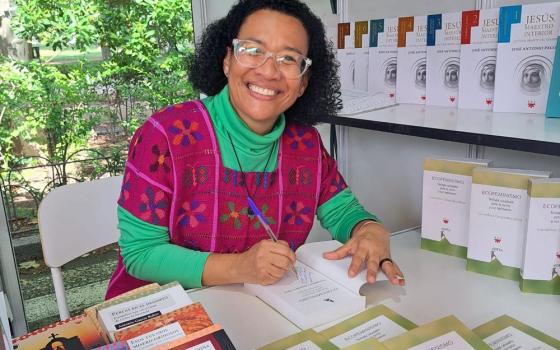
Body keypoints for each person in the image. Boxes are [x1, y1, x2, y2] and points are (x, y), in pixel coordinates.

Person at [106, 0, 404, 299]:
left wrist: (368, 229)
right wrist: (240, 267)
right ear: (227, 60)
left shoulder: (306, 145)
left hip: (257, 306)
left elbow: (343, 211)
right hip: (160, 310)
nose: (269, 71)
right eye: (253, 50)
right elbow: (140, 254)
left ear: (303, 82)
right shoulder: (166, 136)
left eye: (288, 58)